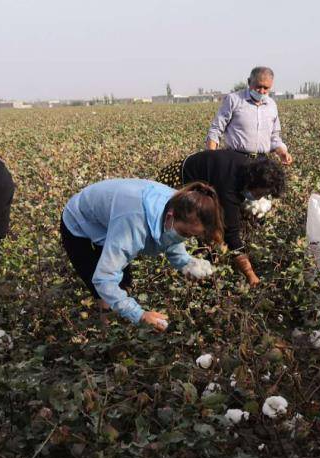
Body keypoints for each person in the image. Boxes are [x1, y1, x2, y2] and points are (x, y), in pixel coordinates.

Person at [60, 179, 224, 331]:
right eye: (185, 234)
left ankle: (118, 328)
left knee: (125, 283)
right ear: (170, 216)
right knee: (105, 294)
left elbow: (171, 238)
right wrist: (140, 315)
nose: (185, 238)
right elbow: (104, 278)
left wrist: (185, 263)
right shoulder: (133, 222)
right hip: (79, 224)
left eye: (191, 236)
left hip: (114, 218)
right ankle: (109, 335)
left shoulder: (182, 204)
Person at [157, 150, 286, 286]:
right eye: (259, 193)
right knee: (178, 227)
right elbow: (231, 235)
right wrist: (250, 274)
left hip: (203, 179)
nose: (259, 198)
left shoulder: (248, 168)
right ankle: (180, 272)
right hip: (180, 179)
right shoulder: (228, 186)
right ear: (253, 183)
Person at [206, 66, 293, 165]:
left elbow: (274, 137)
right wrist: (211, 157)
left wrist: (282, 152)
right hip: (235, 160)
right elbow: (216, 129)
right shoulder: (234, 100)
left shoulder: (271, 105)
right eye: (258, 86)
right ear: (249, 82)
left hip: (261, 161)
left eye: (266, 88)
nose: (261, 91)